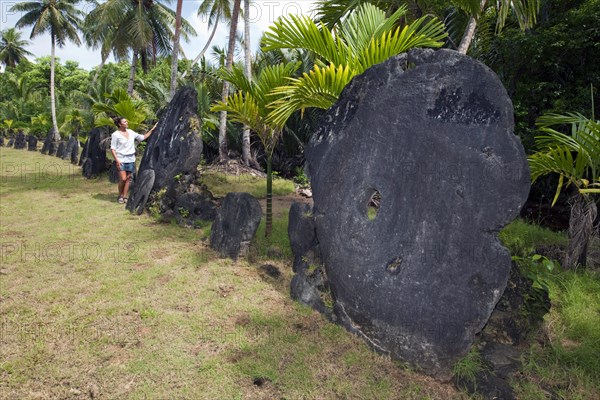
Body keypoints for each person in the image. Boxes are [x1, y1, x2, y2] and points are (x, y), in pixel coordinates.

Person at [110, 117, 158, 204]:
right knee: (123, 179)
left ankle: (125, 196)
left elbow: (143, 137)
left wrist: (153, 129)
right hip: (121, 159)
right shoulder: (115, 135)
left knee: (128, 178)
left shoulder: (131, 132)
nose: (127, 122)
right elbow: (112, 149)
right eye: (125, 122)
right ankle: (120, 195)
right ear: (120, 124)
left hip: (131, 158)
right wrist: (117, 160)